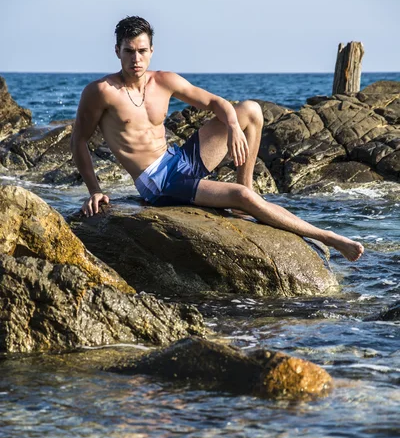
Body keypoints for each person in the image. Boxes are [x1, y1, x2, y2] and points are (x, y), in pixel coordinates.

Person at [71, 16, 364, 261]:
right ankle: (329, 236)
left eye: (142, 51)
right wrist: (95, 190)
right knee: (244, 198)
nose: (136, 59)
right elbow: (79, 141)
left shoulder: (163, 80)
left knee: (251, 110)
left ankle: (245, 191)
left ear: (152, 50)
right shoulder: (101, 91)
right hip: (156, 180)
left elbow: (215, 102)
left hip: (177, 159)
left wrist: (234, 127)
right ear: (117, 51)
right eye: (129, 51)